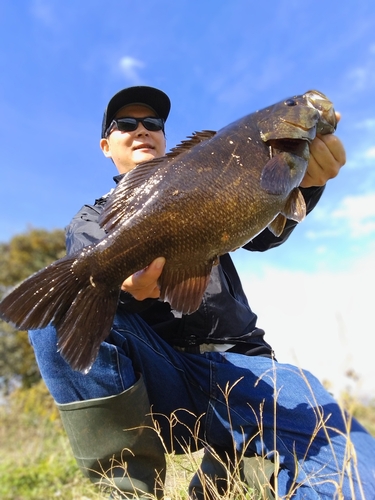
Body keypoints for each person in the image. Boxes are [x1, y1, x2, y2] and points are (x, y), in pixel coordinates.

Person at [28, 86, 375, 499]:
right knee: (60, 305)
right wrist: (126, 289)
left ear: (163, 136)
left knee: (351, 467)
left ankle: (230, 463)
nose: (142, 130)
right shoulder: (91, 219)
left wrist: (306, 180)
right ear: (107, 145)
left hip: (243, 367)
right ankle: (131, 487)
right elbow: (97, 282)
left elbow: (264, 236)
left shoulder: (210, 170)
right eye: (126, 124)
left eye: (152, 123)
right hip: (160, 378)